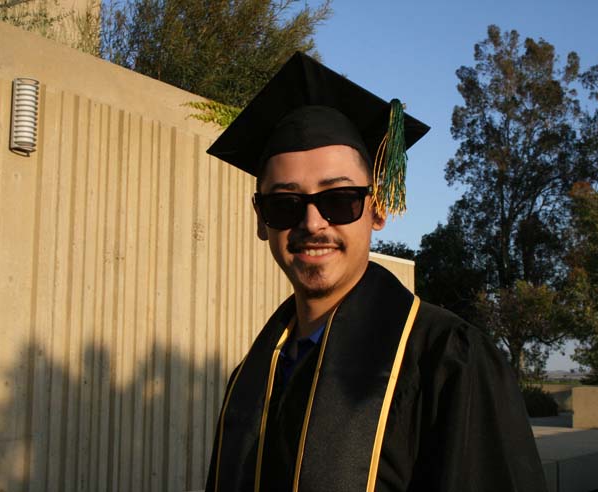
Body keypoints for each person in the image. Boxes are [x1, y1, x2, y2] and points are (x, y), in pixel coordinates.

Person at [204, 52, 547, 492]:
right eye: (284, 204)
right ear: (260, 218)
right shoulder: (253, 376)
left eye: (339, 200)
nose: (312, 224)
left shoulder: (448, 361)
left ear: (377, 208)